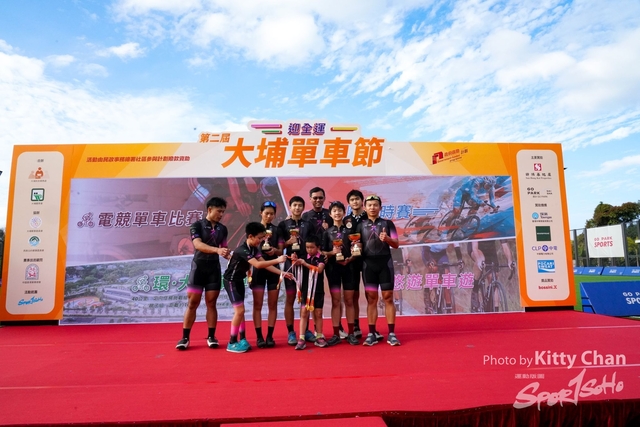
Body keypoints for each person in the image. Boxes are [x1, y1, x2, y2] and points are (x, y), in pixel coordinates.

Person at [223, 222, 291, 353]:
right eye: (259, 238)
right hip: (230, 281)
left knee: (241, 312)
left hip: (239, 280)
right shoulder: (242, 250)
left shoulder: (253, 249)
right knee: (239, 311)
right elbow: (258, 265)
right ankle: (231, 342)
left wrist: (282, 273)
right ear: (250, 236)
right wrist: (277, 260)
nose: (261, 241)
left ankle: (242, 339)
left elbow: (264, 263)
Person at [176, 197, 230, 350]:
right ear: (209, 209)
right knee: (192, 303)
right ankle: (185, 338)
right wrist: (217, 250)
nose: (221, 214)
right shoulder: (197, 225)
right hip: (198, 268)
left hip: (214, 269)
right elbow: (197, 244)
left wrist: (236, 257)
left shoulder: (223, 229)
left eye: (223, 212)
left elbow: (224, 249)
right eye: (219, 211)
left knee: (211, 303)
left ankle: (211, 336)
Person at [354, 194, 401, 346]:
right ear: (365, 207)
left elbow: (396, 244)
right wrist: (355, 247)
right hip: (368, 265)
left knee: (388, 297)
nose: (372, 207)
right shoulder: (360, 225)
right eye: (369, 205)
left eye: (375, 205)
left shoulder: (388, 223)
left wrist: (387, 239)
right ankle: (371, 333)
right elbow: (357, 244)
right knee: (371, 299)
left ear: (380, 207)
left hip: (385, 264)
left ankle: (391, 333)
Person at [277, 196, 316, 345]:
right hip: (290, 264)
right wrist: (288, 243)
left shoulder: (309, 224)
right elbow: (279, 247)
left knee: (306, 298)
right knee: (290, 297)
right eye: (295, 205)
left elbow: (313, 244)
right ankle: (291, 332)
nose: (297, 208)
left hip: (305, 263)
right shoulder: (283, 225)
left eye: (300, 205)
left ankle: (305, 330)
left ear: (303, 207)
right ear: (290, 206)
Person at [322, 201, 358, 345]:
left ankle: (351, 333)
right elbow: (322, 252)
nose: (337, 213)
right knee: (336, 301)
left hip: (349, 268)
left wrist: (351, 258)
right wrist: (332, 252)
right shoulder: (326, 233)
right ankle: (336, 334)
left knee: (349, 301)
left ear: (344, 213)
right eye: (334, 211)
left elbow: (356, 250)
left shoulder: (350, 231)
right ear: (330, 214)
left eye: (340, 210)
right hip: (333, 269)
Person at [250, 201, 282, 348]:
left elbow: (280, 251)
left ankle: (270, 336)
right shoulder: (254, 229)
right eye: (266, 213)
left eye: (272, 214)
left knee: (272, 304)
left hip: (274, 269)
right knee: (257, 304)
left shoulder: (277, 230)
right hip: (258, 270)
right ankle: (259, 337)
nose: (269, 216)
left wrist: (274, 251)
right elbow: (248, 249)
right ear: (260, 213)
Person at [344, 189, 370, 340]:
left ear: (362, 201)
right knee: (353, 295)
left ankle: (372, 328)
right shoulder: (346, 219)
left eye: (357, 199)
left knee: (370, 294)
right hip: (351, 261)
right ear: (349, 203)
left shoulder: (369, 216)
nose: (355, 202)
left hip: (367, 259)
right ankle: (355, 325)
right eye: (352, 200)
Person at [294, 236, 328, 350]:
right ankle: (301, 338)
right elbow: (296, 264)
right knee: (304, 313)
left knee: (318, 313)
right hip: (305, 290)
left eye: (312, 247)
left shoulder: (321, 258)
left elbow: (319, 270)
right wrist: (295, 260)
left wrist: (305, 264)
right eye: (307, 247)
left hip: (318, 290)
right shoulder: (303, 257)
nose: (309, 250)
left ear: (318, 247)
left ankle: (319, 336)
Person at [468, 239, 514, 312]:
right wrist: (479, 261)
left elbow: (505, 246)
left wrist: (509, 260)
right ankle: (475, 290)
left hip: (490, 249)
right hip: (476, 247)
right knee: (481, 259)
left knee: (494, 276)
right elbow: (475, 248)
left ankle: (495, 310)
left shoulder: (499, 231)